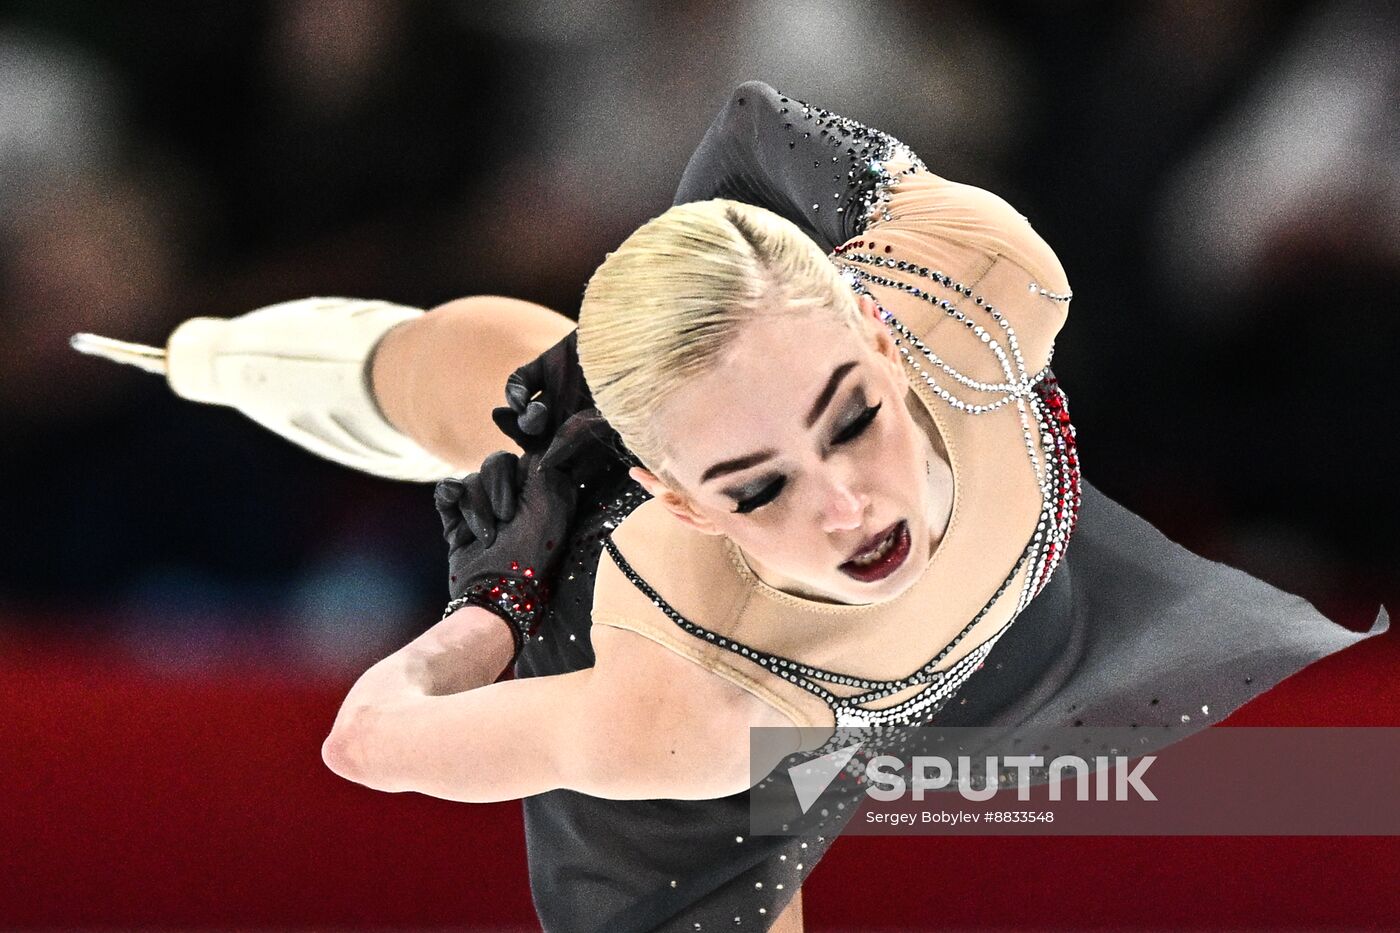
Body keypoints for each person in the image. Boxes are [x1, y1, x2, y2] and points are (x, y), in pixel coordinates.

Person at [74, 81, 1389, 932]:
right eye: (760, 486)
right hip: (735, 690)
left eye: (850, 416)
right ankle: (199, 354)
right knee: (469, 387)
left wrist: (699, 312)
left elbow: (759, 120)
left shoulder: (990, 286)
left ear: (879, 330)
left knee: (550, 367)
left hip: (932, 582)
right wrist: (498, 602)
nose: (846, 503)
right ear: (685, 502)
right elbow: (371, 739)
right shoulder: (683, 702)